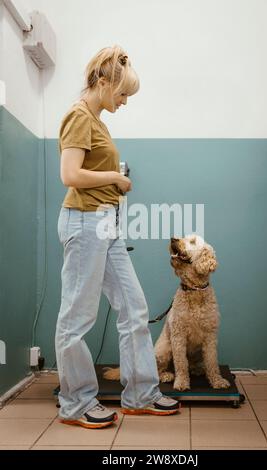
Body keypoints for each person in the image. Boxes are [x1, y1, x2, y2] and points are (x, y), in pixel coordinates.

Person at [55, 45, 180, 429]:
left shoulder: (97, 120)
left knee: (135, 308)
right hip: (84, 223)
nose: (125, 101)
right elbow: (70, 175)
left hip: (105, 224)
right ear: (104, 81)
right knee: (77, 317)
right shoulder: (78, 116)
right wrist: (114, 178)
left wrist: (114, 187)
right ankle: (75, 404)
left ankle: (141, 394)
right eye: (123, 93)